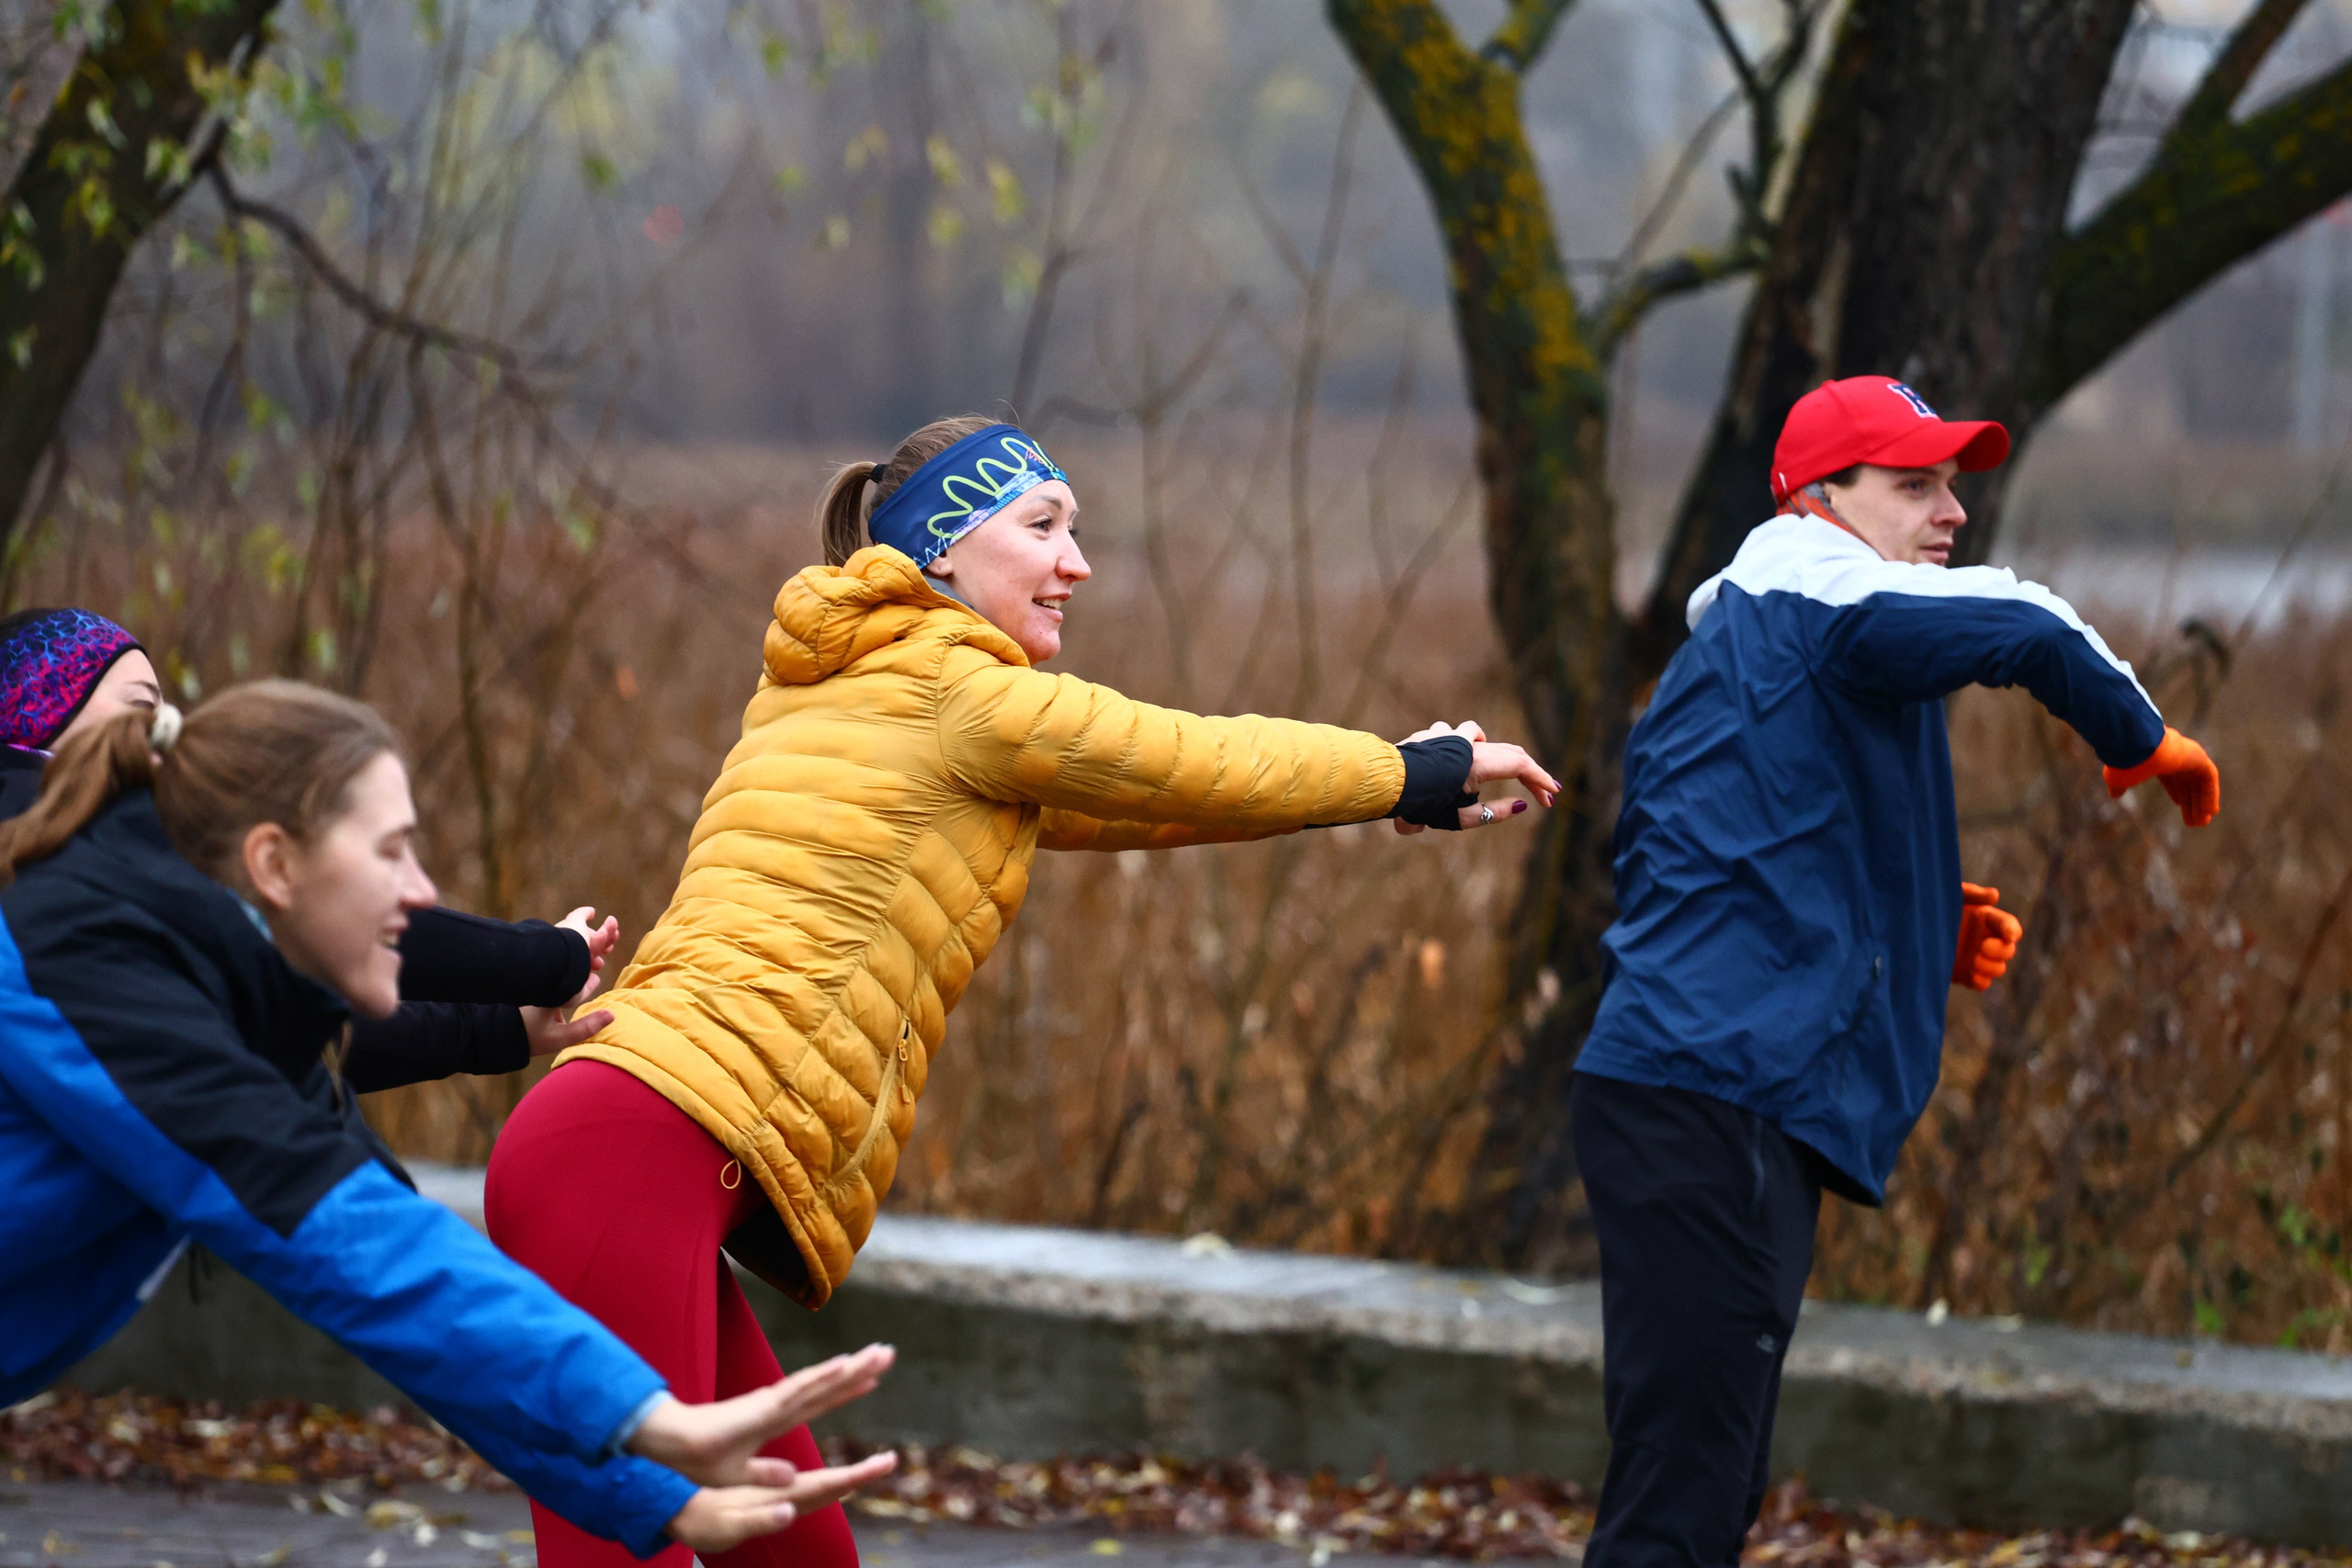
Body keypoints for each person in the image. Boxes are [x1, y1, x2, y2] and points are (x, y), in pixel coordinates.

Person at [482, 414, 1562, 1568]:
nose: (1076, 563)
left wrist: (1375, 791)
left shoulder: (863, 690)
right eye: (1042, 527)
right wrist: (1414, 765)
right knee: (619, 1549)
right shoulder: (962, 697)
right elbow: (1191, 754)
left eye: (1077, 530)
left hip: (635, 1145)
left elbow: (1158, 797)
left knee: (794, 1552)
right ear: (942, 551)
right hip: (637, 1144)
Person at [0, 681, 899, 1557]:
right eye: (392, 852)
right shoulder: (73, 957)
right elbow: (362, 1246)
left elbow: (405, 1295)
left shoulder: (244, 1024)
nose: (422, 892)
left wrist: (652, 1493)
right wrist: (649, 1416)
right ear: (273, 865)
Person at [1569, 376, 2222, 1568]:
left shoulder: (1743, 638)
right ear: (1821, 496)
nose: (1952, 513)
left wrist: (1905, 923)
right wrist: (2143, 737)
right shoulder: (1830, 598)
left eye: (1953, 485)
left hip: (1690, 1101)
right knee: (1681, 1505)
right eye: (1913, 484)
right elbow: (2025, 624)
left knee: (1700, 1487)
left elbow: (1680, 854)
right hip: (1716, 1109)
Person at [0, 605, 623, 1082]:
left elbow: (273, 1028)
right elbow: (320, 970)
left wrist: (497, 1030)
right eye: (146, 710)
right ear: (41, 707)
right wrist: (554, 958)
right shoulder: (119, 845)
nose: (171, 735)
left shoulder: (69, 870)